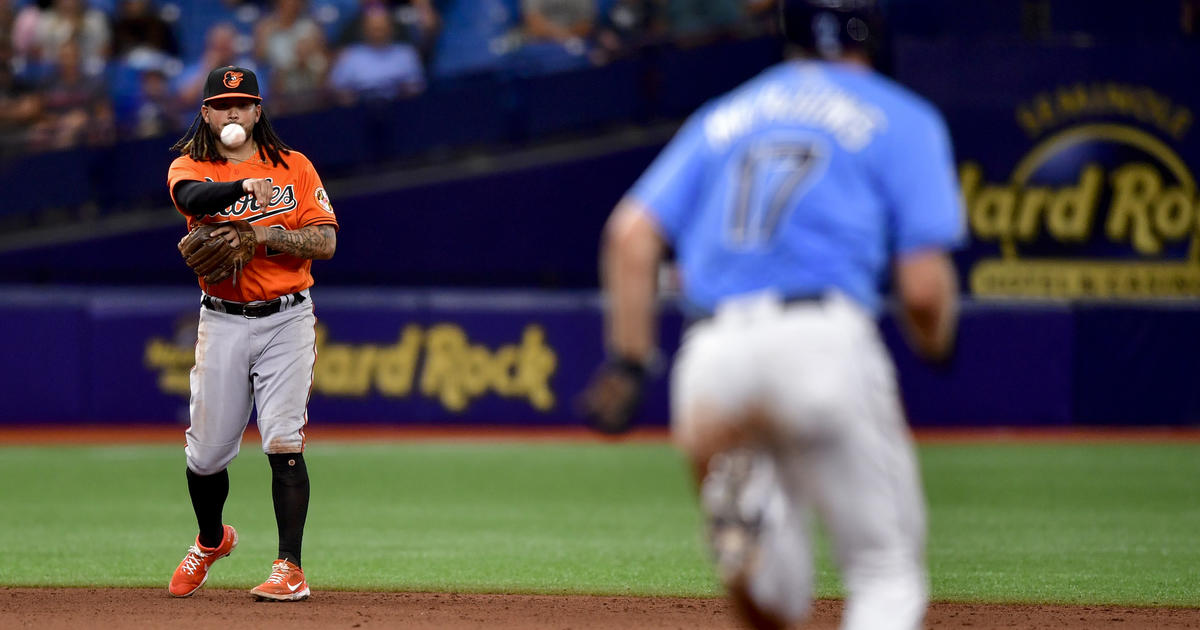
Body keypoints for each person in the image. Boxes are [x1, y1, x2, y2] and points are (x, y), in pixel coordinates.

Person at [580, 1, 963, 628]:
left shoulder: (725, 116)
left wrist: (627, 360)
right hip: (820, 341)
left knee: (774, 609)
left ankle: (753, 523)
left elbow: (630, 236)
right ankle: (756, 519)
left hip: (711, 358)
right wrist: (938, 342)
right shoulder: (902, 117)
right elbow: (923, 291)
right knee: (884, 572)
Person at [165, 65, 339, 602]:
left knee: (284, 438)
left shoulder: (294, 166)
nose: (233, 112)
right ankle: (213, 540)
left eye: (243, 103)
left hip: (287, 317)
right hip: (221, 318)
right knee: (206, 455)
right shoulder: (189, 165)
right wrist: (241, 190)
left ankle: (290, 568)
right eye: (222, 103)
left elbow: (326, 242)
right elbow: (193, 199)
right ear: (207, 113)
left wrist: (261, 232)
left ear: (258, 110)